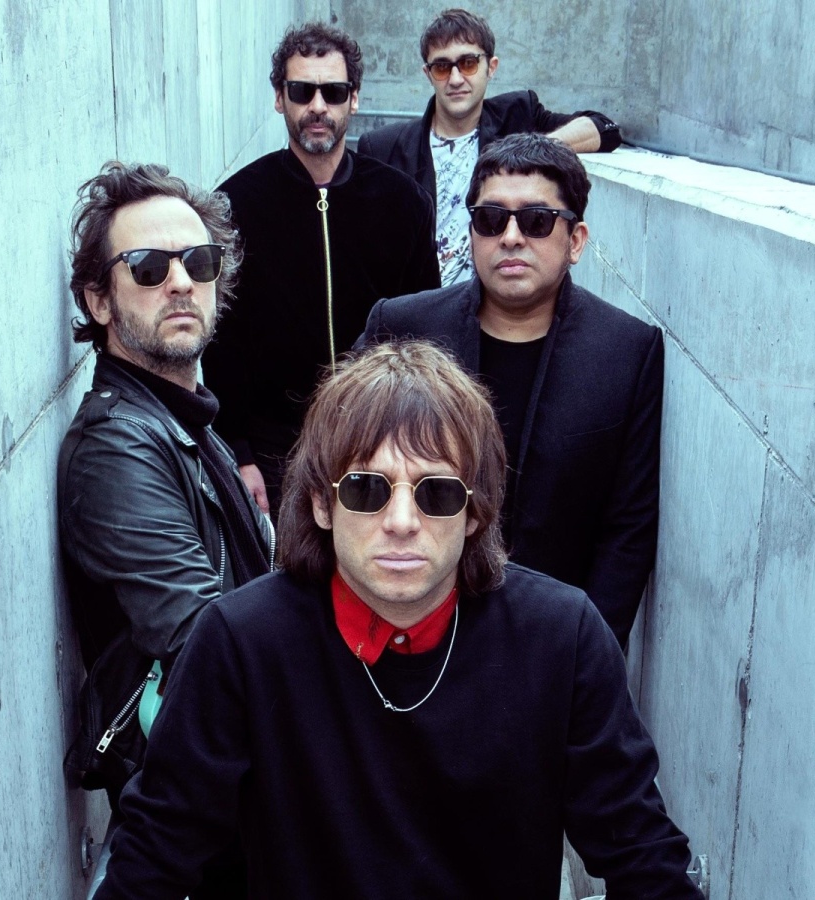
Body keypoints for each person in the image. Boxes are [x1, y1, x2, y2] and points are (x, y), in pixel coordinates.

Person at [94, 341, 702, 899]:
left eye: (437, 492)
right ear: (321, 503)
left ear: (475, 511)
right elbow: (153, 856)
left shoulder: (561, 637)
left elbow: (642, 853)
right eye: (367, 489)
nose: (403, 522)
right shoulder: (242, 643)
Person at [357, 134, 662, 648]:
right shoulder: (402, 326)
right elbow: (342, 466)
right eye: (491, 219)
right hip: (406, 629)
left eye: (537, 220)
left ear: (576, 240)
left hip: (549, 641)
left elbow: (628, 528)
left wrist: (591, 651)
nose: (512, 237)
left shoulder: (627, 351)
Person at [59, 162, 273, 813]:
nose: (181, 283)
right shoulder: (116, 446)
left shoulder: (184, 417)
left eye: (198, 263)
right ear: (99, 301)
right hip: (201, 797)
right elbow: (200, 640)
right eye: (149, 268)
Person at [202, 22, 440, 518]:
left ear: (353, 99)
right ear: (279, 98)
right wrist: (239, 453)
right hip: (273, 448)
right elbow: (222, 339)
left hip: (378, 439)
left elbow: (425, 330)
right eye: (301, 91)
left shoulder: (403, 202)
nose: (317, 106)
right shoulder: (234, 205)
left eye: (332, 92)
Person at [357, 8, 621, 285]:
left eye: (468, 63)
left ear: (491, 67)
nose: (455, 79)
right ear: (428, 73)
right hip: (418, 300)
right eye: (442, 67)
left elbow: (604, 128)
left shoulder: (518, 114)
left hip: (499, 298)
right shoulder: (383, 147)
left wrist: (532, 149)